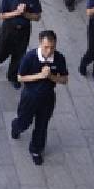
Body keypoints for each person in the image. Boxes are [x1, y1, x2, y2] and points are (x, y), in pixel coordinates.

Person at [11, 30, 68, 165]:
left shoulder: (59, 58)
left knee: (42, 125)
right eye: (46, 47)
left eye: (52, 47)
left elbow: (64, 79)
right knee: (24, 122)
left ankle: (36, 149)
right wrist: (40, 76)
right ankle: (16, 126)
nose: (49, 51)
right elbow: (20, 77)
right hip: (30, 96)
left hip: (47, 97)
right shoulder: (30, 57)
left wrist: (51, 77)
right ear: (40, 44)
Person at [0, 0, 43, 87]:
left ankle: (12, 76)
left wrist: (25, 14)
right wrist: (17, 12)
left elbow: (37, 17)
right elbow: (1, 15)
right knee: (2, 49)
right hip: (9, 29)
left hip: (24, 31)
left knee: (19, 55)